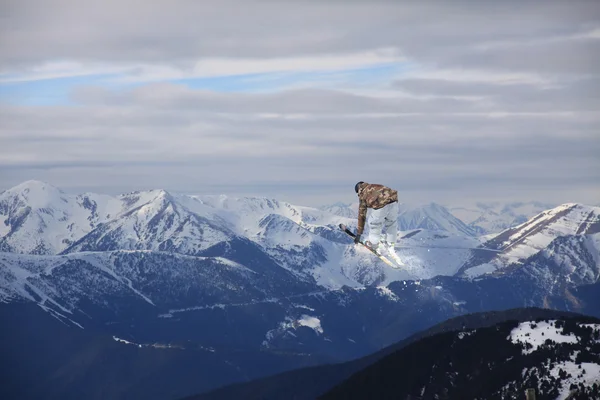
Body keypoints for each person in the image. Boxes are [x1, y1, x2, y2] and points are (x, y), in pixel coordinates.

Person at [353, 181, 401, 261]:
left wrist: (359, 233)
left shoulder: (363, 193)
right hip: (393, 201)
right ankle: (390, 244)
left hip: (380, 204)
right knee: (391, 223)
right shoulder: (375, 186)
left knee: (374, 224)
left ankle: (374, 245)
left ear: (358, 189)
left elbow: (362, 214)